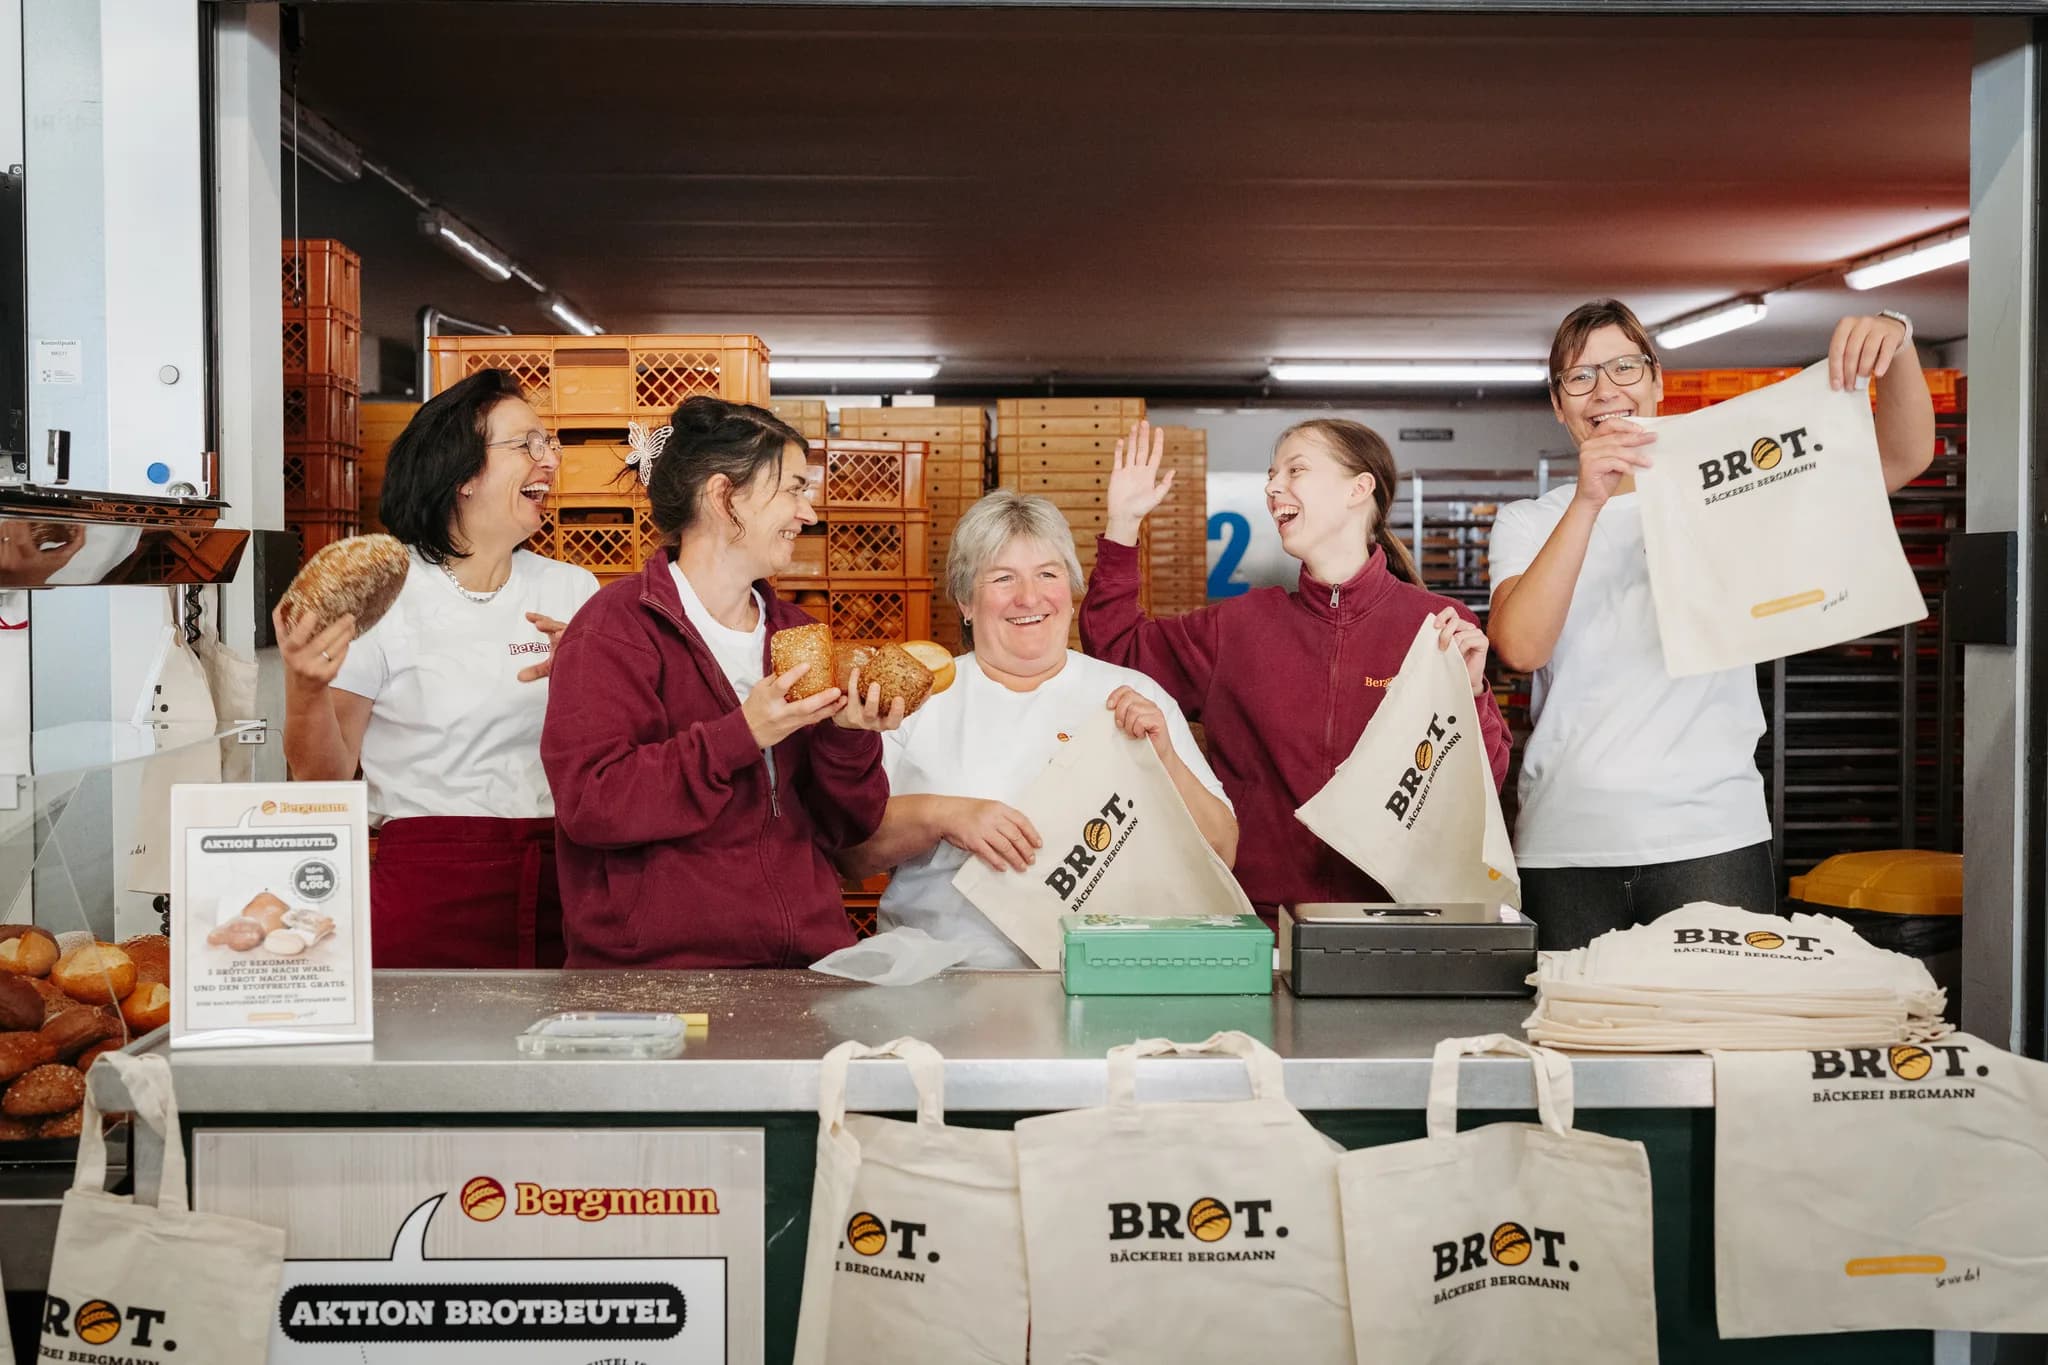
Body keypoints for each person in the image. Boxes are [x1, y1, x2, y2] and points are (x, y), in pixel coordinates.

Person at [1486, 301, 1936, 948]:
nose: (1605, 389)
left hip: (1711, 835)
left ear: (1657, 381)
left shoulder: (1728, 486)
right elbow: (1522, 647)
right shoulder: (1529, 521)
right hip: (1567, 841)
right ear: (1560, 405)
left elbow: (1901, 455)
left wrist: (1899, 338)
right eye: (1580, 377)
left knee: (1720, 1018)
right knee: (1576, 1016)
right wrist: (1588, 501)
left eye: (1623, 367)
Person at [1080, 419, 1507, 921]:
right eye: (1271, 475)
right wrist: (1123, 525)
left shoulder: (1436, 626)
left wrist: (1471, 693)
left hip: (1395, 923)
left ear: (1358, 489)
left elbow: (1484, 788)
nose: (1272, 487)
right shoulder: (1237, 628)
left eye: (1295, 470)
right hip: (1260, 921)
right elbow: (1118, 653)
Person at [542, 397, 901, 969]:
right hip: (661, 977)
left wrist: (848, 737)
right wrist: (742, 734)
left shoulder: (800, 635)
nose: (808, 514)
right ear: (723, 496)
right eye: (793, 490)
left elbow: (847, 829)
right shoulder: (614, 627)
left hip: (804, 968)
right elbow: (593, 803)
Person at [278, 369, 598, 968]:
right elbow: (323, 777)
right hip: (428, 884)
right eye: (526, 444)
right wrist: (305, 688)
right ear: (462, 476)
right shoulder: (385, 591)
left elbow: (610, 757)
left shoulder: (573, 588)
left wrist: (593, 684)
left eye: (549, 443)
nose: (550, 460)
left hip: (563, 879)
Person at [839, 491, 1237, 968]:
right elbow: (852, 857)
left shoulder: (1132, 694)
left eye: (1048, 574)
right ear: (965, 601)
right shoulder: (916, 701)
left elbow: (1222, 851)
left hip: (1104, 976)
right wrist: (941, 816)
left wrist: (1166, 758)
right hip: (940, 976)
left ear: (1070, 590)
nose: (1029, 597)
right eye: (1003, 578)